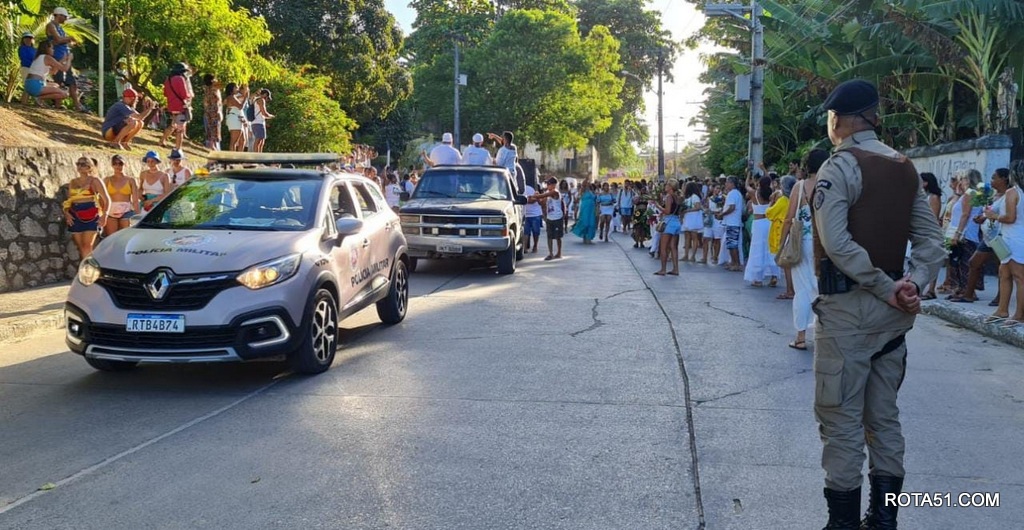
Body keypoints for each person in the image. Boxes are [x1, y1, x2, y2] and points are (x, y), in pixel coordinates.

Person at [811, 79, 944, 530]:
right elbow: (931, 241)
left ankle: (843, 523)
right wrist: (913, 285)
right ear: (874, 116)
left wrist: (885, 287)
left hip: (849, 313)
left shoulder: (838, 167)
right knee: (883, 418)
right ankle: (884, 520)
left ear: (838, 121)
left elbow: (836, 243)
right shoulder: (905, 168)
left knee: (840, 421)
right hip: (893, 319)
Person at [782, 149, 829, 351]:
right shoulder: (831, 185)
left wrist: (781, 244)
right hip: (826, 243)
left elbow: (788, 219)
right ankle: (825, 336)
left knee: (802, 289)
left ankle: (800, 337)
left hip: (803, 242)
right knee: (824, 289)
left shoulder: (799, 187)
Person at [984, 161, 1024, 326]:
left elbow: (1010, 218)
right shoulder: (1019, 192)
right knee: (1004, 273)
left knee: (1018, 277)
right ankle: (1002, 310)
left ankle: (1019, 315)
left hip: (1013, 239)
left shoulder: (1012, 192)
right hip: (1013, 238)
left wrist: (993, 216)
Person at [64, 156, 110, 259]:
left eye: (83, 164)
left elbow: (107, 199)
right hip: (75, 213)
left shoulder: (95, 181)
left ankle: (88, 268)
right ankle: (88, 266)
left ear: (89, 167)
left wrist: (105, 215)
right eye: (78, 164)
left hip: (91, 213)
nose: (79, 166)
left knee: (87, 246)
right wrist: (66, 213)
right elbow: (69, 200)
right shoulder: (73, 182)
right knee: (81, 247)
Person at [46, 7, 86, 112]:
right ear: (58, 15)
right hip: (57, 57)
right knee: (59, 81)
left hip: (65, 57)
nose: (65, 19)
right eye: (64, 16)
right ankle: (58, 105)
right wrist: (70, 38)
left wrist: (69, 43)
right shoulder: (51, 25)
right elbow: (58, 40)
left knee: (71, 82)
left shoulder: (60, 28)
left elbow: (60, 41)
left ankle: (77, 106)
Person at [768, 175, 797, 298]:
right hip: (797, 232)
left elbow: (769, 213)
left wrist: (772, 202)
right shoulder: (797, 199)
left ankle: (790, 290)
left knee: (787, 264)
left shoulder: (783, 200)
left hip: (784, 231)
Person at [23, 39, 70, 106]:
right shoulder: (47, 57)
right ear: (47, 48)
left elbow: (53, 72)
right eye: (52, 48)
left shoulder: (39, 57)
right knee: (65, 94)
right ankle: (39, 98)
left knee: (56, 85)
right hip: (36, 85)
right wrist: (69, 59)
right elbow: (65, 69)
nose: (53, 50)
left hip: (29, 85)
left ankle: (39, 98)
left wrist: (62, 60)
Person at [919, 173, 943, 299]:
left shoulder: (933, 197)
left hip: (929, 233)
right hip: (923, 232)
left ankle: (931, 289)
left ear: (926, 183)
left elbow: (933, 217)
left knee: (931, 261)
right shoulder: (925, 196)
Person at [103, 154, 139, 236]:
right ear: (112, 165)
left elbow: (135, 200)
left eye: (120, 163)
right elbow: (102, 198)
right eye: (115, 163)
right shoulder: (107, 180)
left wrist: (137, 216)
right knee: (111, 237)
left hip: (126, 210)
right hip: (111, 211)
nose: (118, 166)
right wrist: (103, 214)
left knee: (125, 237)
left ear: (124, 164)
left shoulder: (131, 180)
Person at [160, 63, 194, 150]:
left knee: (173, 125)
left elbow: (165, 93)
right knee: (180, 129)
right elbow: (184, 95)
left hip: (171, 106)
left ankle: (162, 140)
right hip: (180, 107)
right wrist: (189, 96)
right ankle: (178, 148)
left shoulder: (168, 79)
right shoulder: (180, 79)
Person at [716, 176, 745, 271]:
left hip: (733, 222)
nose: (726, 184)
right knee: (730, 244)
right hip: (732, 222)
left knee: (733, 245)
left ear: (732, 183)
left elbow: (732, 207)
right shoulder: (736, 193)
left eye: (727, 182)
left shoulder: (732, 193)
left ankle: (736, 263)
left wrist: (722, 214)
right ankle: (733, 262)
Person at [533, 177, 565, 260]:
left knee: (558, 236)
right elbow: (542, 203)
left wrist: (537, 195)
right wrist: (537, 198)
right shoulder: (547, 192)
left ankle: (559, 253)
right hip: (550, 217)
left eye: (549, 184)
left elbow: (543, 195)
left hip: (557, 217)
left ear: (554, 185)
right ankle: (550, 254)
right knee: (549, 236)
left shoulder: (555, 192)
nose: (547, 185)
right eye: (547, 184)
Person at [654, 180, 682, 276]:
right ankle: (676, 268)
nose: (665, 186)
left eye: (667, 185)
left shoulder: (669, 197)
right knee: (674, 247)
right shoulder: (677, 197)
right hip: (677, 221)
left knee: (663, 247)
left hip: (669, 222)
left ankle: (663, 269)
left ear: (670, 187)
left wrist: (658, 206)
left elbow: (667, 211)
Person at [681, 182, 704, 261]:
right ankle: (686, 255)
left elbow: (698, 207)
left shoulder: (695, 197)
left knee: (694, 237)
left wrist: (687, 210)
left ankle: (693, 256)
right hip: (688, 219)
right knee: (687, 237)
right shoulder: (687, 197)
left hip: (693, 219)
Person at [571, 179, 598, 244]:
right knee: (585, 223)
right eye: (587, 183)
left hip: (592, 209)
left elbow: (595, 200)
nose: (588, 184)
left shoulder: (592, 191)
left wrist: (596, 209)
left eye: (589, 183)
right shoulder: (582, 191)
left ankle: (589, 238)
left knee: (591, 223)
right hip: (585, 209)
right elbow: (577, 199)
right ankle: (584, 236)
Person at [224, 83, 247, 152]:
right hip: (234, 119)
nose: (238, 89)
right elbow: (240, 107)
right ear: (232, 89)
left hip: (237, 118)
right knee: (234, 141)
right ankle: (232, 156)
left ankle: (239, 156)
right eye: (236, 88)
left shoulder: (234, 97)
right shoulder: (231, 97)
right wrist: (246, 98)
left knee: (243, 140)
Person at [202, 74, 223, 150]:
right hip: (214, 112)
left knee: (211, 130)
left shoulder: (207, 89)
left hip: (208, 112)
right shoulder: (214, 88)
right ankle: (213, 147)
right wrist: (219, 112)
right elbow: (222, 84)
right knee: (214, 130)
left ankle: (212, 146)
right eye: (215, 79)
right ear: (212, 80)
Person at [251, 88, 274, 152]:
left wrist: (268, 117)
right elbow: (264, 113)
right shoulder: (261, 100)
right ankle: (256, 156)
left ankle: (259, 156)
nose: (266, 99)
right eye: (267, 97)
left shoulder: (256, 100)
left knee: (261, 141)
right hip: (258, 123)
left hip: (257, 122)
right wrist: (272, 116)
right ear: (265, 94)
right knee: (258, 141)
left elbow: (262, 114)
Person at [523, 180, 543, 254]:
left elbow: (538, 200)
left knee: (536, 232)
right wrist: (531, 198)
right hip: (525, 214)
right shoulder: (520, 189)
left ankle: (535, 246)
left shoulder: (535, 188)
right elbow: (527, 200)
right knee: (525, 232)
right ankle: (525, 248)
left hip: (535, 214)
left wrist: (530, 199)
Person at [18, 32, 37, 105]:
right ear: (23, 39)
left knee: (30, 86)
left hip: (34, 69)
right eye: (26, 38)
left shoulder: (35, 49)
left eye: (30, 38)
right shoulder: (22, 48)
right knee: (27, 85)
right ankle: (24, 102)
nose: (28, 39)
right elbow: (24, 58)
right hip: (26, 68)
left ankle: (24, 102)